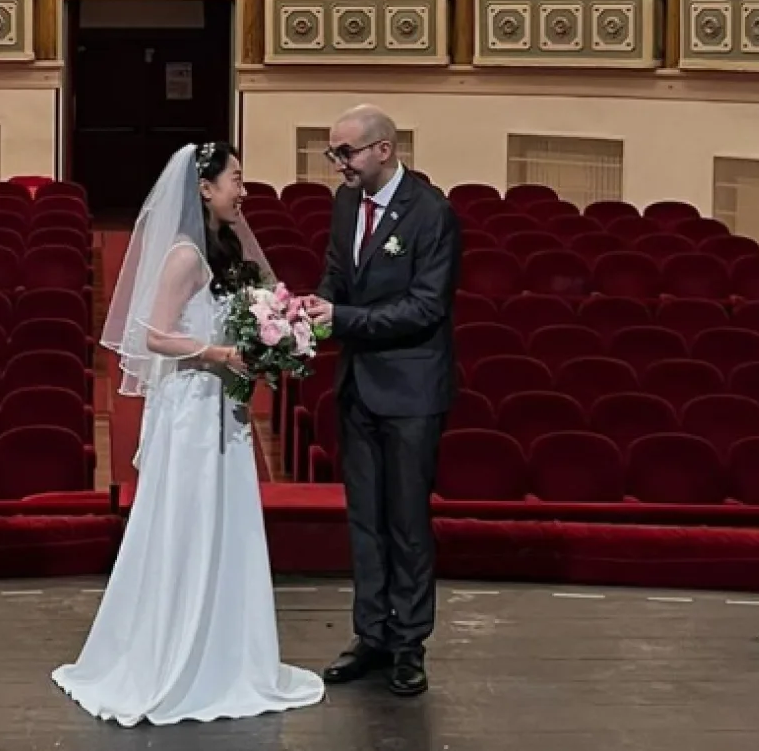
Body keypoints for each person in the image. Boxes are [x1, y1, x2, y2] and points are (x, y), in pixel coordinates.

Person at [53, 141, 325, 728]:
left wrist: (272, 335)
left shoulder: (222, 250)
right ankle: (177, 651)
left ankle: (225, 650)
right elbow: (150, 336)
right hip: (192, 407)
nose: (243, 192)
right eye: (235, 180)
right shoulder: (182, 256)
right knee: (190, 521)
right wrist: (218, 351)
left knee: (223, 522)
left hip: (220, 405)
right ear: (204, 187)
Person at [302, 104, 461, 699]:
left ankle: (409, 643)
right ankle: (370, 634)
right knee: (365, 521)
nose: (337, 163)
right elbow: (335, 275)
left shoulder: (432, 213)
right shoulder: (346, 204)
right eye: (333, 153)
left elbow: (426, 307)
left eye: (345, 152)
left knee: (407, 524)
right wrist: (311, 313)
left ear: (383, 151)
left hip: (412, 391)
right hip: (359, 387)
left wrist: (342, 317)